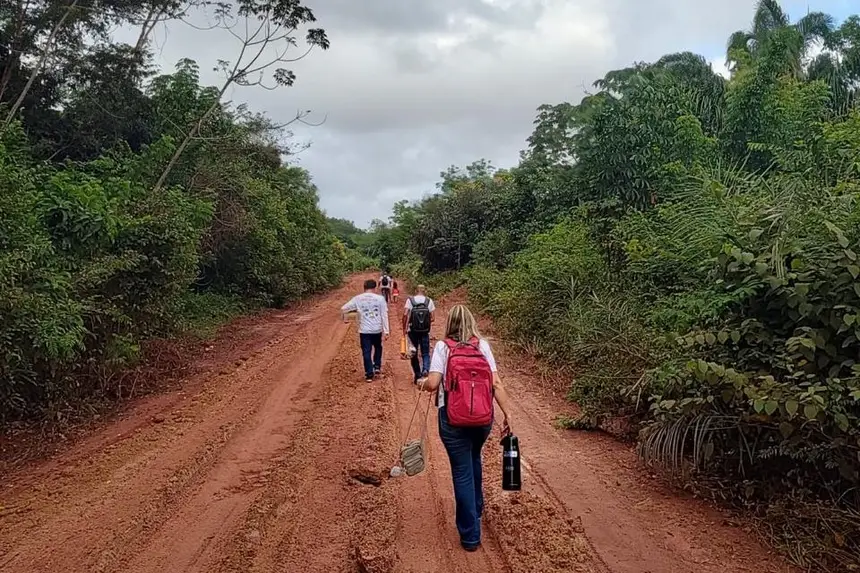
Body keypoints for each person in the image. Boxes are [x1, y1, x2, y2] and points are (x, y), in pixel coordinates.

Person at [419, 305, 513, 552]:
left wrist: (422, 383)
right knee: (474, 458)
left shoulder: (443, 347)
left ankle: (470, 535)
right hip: (482, 419)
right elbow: (496, 383)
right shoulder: (482, 346)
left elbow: (433, 383)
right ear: (471, 322)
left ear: (449, 323)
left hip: (453, 419)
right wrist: (507, 413)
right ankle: (476, 508)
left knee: (462, 471)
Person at [341, 279, 390, 382]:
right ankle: (377, 366)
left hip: (364, 330)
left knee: (366, 351)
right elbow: (384, 315)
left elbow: (344, 308)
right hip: (377, 329)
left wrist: (350, 315)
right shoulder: (380, 299)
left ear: (364, 287)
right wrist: (386, 331)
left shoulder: (358, 298)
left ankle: (369, 374)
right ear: (375, 288)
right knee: (378, 347)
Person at [402, 284, 434, 384]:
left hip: (412, 331)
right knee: (425, 352)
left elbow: (405, 315)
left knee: (413, 353)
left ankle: (417, 375)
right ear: (425, 291)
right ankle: (425, 369)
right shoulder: (429, 301)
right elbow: (433, 318)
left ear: (416, 290)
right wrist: (423, 322)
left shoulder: (410, 300)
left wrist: (404, 328)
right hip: (425, 331)